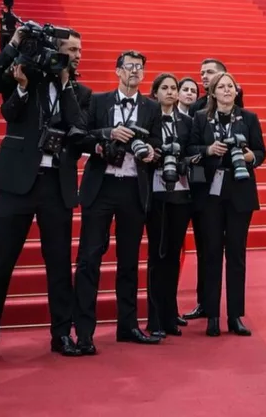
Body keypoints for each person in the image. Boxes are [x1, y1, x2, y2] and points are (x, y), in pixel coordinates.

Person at [0, 27, 86, 359]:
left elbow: (78, 127)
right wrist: (14, 46)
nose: (75, 55)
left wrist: (64, 82)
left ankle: (62, 334)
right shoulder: (22, 73)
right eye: (70, 49)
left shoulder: (75, 89)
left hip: (55, 184)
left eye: (79, 51)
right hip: (17, 181)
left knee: (59, 263)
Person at [72, 50, 164, 352]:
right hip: (101, 187)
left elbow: (157, 144)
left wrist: (151, 153)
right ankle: (84, 332)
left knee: (128, 261)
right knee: (89, 259)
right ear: (118, 71)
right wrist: (107, 135)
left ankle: (128, 326)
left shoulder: (151, 107)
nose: (135, 72)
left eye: (140, 68)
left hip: (133, 189)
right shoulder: (98, 101)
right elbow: (80, 135)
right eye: (130, 67)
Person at [189, 72, 265, 337]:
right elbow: (190, 149)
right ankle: (211, 315)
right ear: (212, 92)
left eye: (230, 87)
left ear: (236, 91)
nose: (226, 91)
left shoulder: (249, 118)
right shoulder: (200, 118)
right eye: (221, 87)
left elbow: (261, 151)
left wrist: (249, 156)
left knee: (236, 255)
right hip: (210, 192)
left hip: (240, 191)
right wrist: (209, 151)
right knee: (211, 254)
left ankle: (235, 316)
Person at [143, 73, 195, 339]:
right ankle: (154, 318)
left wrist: (186, 160)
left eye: (174, 88)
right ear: (155, 92)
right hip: (155, 193)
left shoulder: (187, 122)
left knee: (174, 254)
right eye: (164, 88)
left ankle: (170, 312)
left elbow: (193, 150)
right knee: (157, 254)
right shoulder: (148, 120)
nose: (171, 92)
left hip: (181, 194)